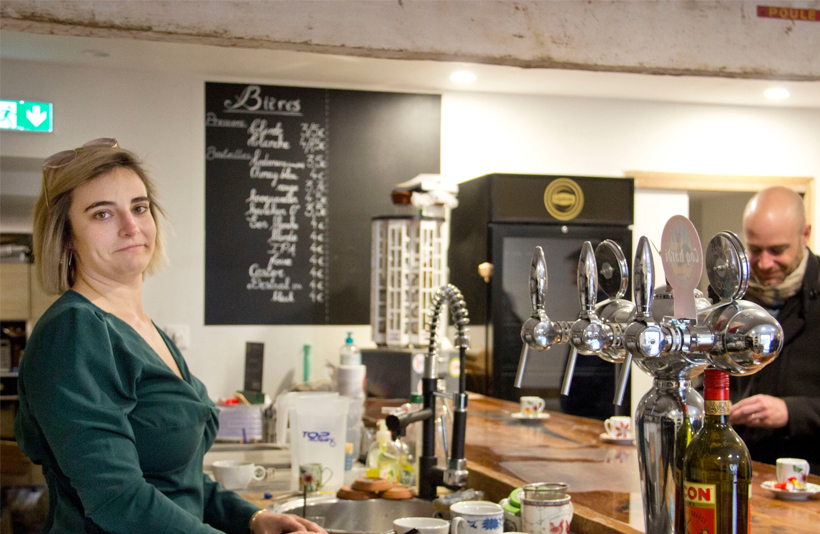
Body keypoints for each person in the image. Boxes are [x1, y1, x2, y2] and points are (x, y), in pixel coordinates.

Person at [15, 138, 326, 534]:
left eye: (139, 207)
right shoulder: (74, 332)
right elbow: (119, 499)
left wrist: (252, 519)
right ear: (67, 237)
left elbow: (179, 478)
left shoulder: (143, 328)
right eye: (103, 214)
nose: (131, 226)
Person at [728, 186, 820, 474]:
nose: (765, 264)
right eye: (754, 250)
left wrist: (791, 412)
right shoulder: (729, 298)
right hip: (744, 473)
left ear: (805, 235)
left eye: (777, 250)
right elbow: (703, 378)